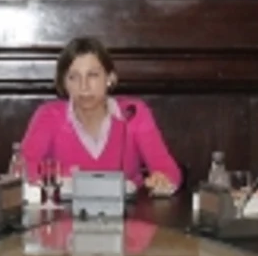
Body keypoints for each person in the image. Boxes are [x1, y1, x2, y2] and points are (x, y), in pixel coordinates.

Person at [19, 37, 183, 196]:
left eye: (93, 75)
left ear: (110, 78)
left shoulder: (133, 113)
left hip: (126, 217)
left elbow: (168, 171)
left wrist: (162, 180)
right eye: (74, 77)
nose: (84, 87)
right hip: (63, 217)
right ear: (63, 83)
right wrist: (64, 179)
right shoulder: (49, 115)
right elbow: (22, 170)